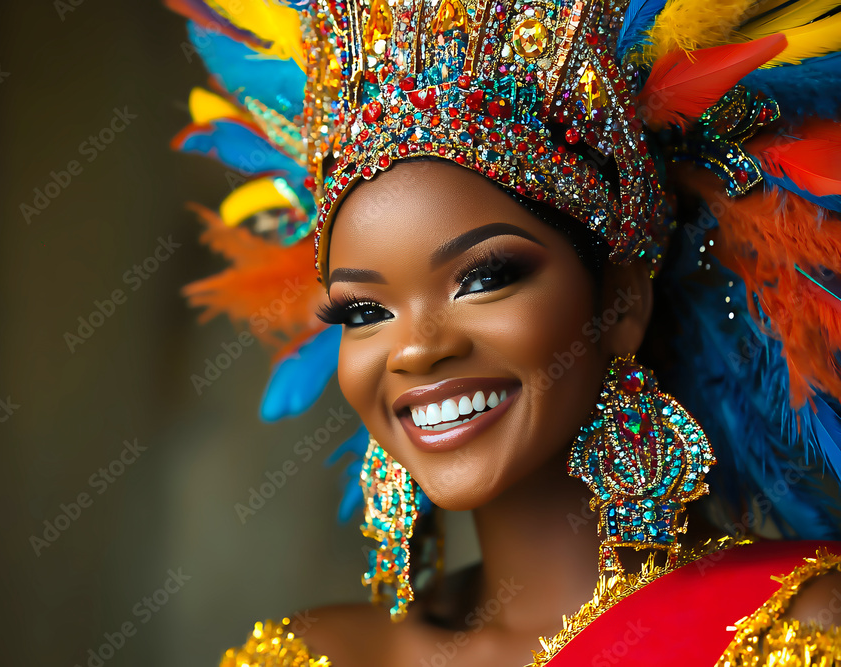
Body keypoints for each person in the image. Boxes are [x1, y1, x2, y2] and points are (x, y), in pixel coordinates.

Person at [168, 0, 841, 663]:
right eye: (364, 311)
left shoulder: (796, 630)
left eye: (485, 277)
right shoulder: (309, 655)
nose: (417, 347)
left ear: (620, 301)